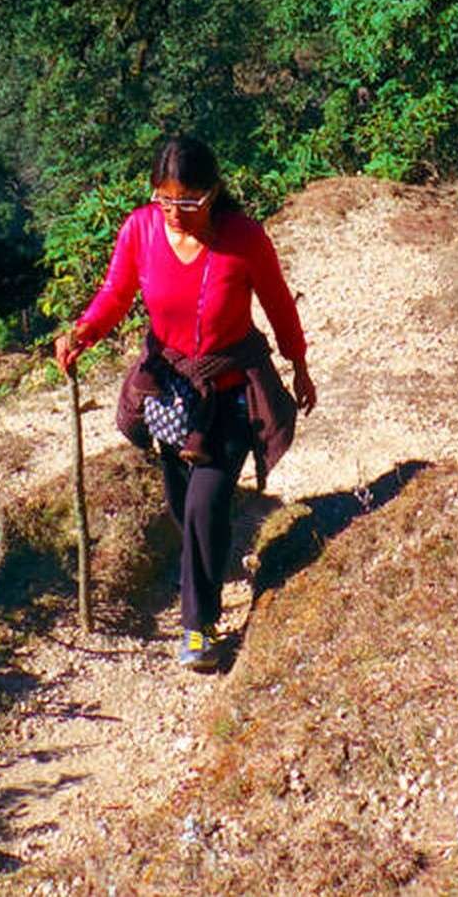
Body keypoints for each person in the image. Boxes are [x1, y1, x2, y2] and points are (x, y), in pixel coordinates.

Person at [55, 135, 318, 671]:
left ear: (214, 192)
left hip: (229, 392)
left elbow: (276, 302)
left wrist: (299, 363)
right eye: (165, 199)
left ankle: (198, 627)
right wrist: (84, 331)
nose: (175, 213)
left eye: (189, 201)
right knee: (186, 508)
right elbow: (116, 293)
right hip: (171, 392)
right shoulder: (141, 230)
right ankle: (208, 562)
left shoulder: (243, 239)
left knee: (203, 505)